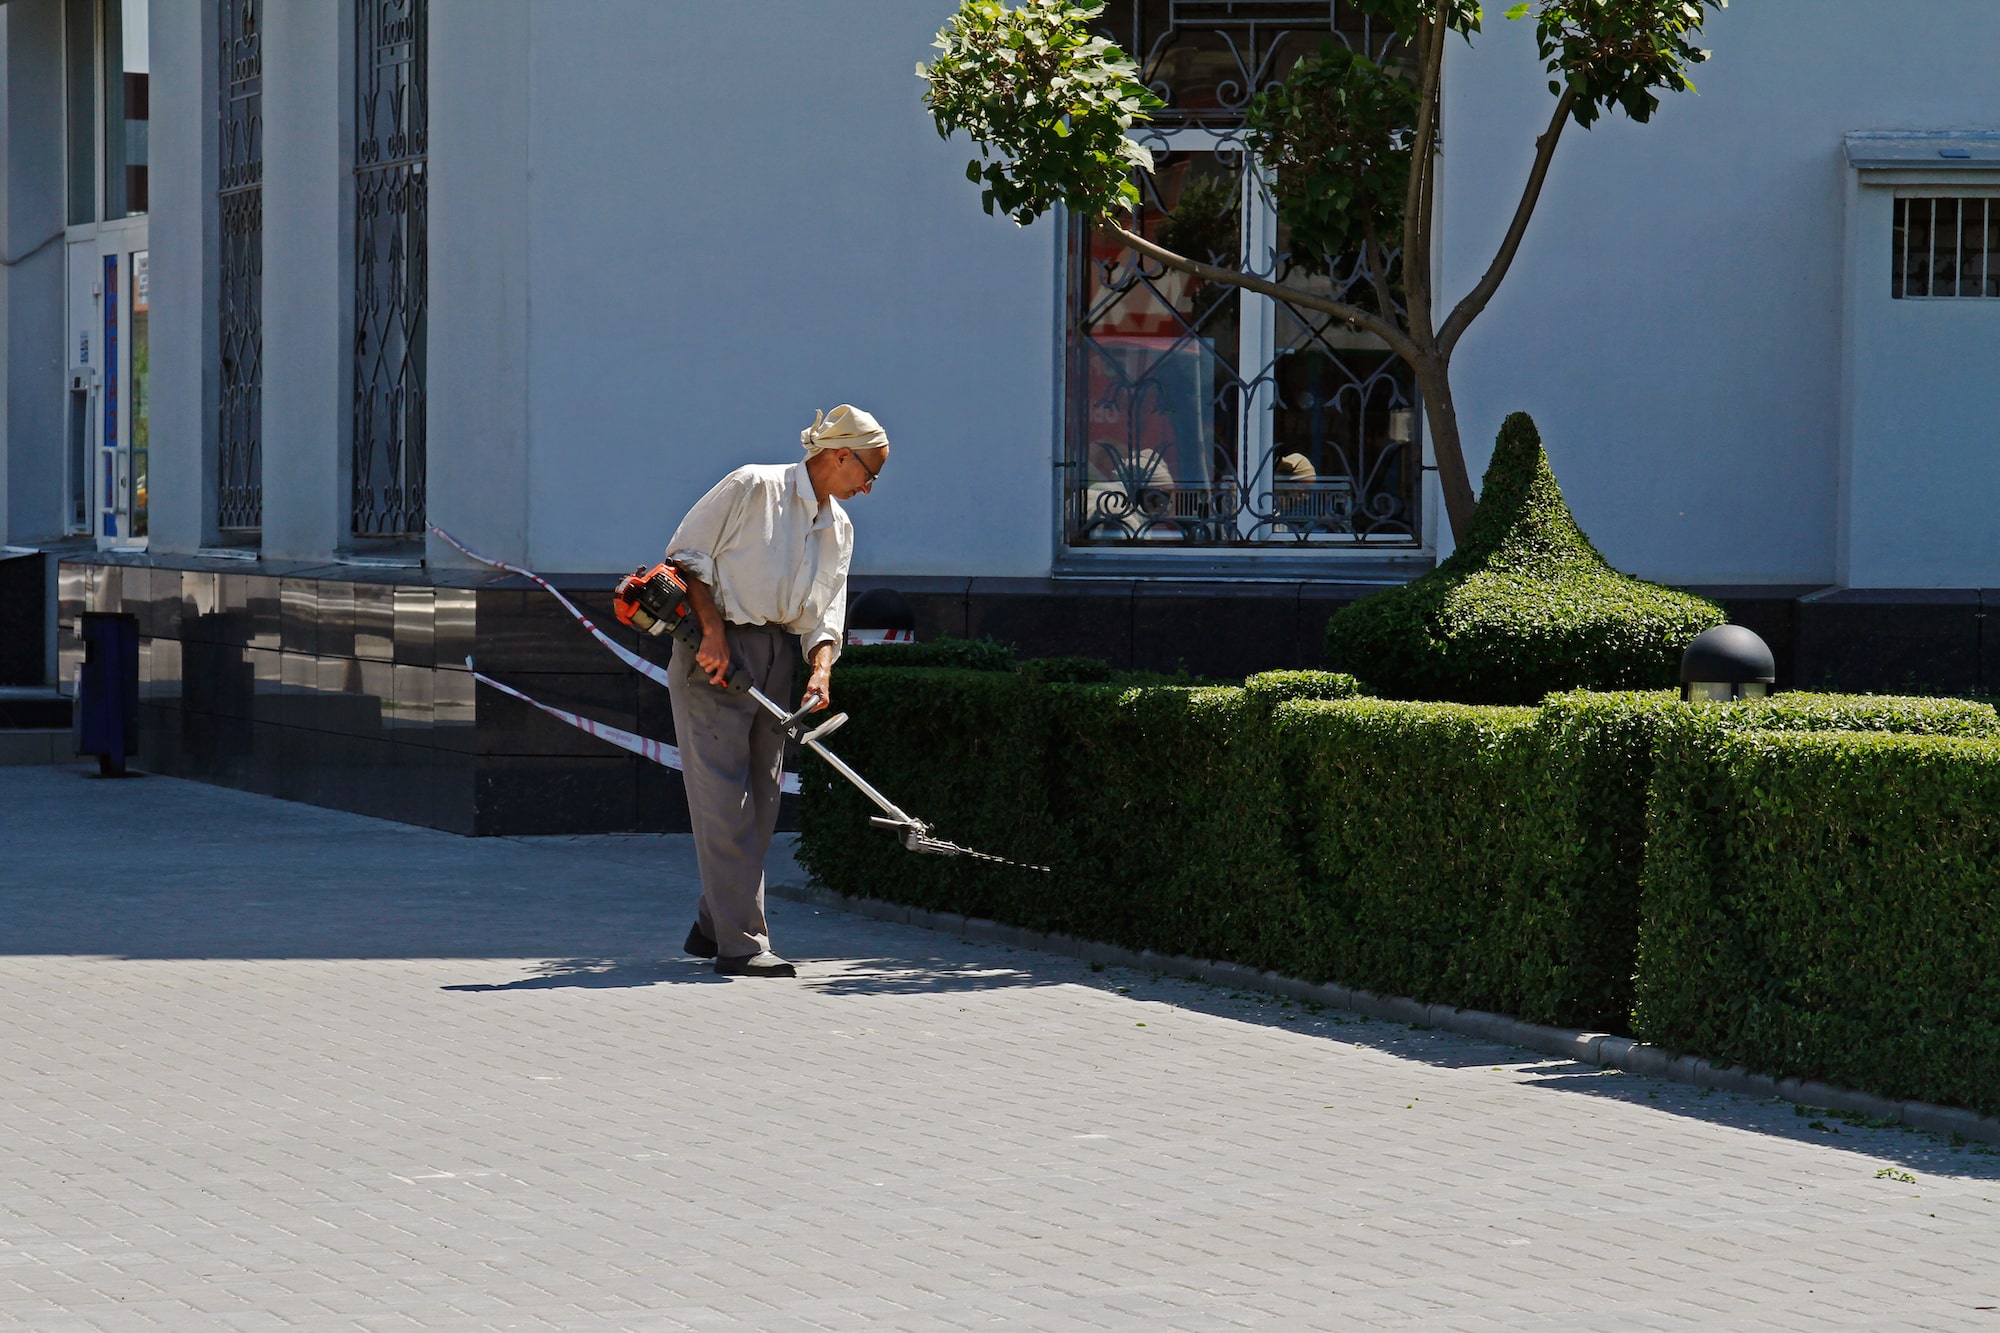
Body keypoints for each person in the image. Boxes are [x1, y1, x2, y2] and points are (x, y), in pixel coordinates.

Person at [662, 405, 888, 977]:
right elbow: (686, 557)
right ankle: (742, 945)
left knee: (762, 804)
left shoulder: (838, 526)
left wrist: (821, 667)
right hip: (715, 650)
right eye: (868, 472)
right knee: (724, 803)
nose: (868, 487)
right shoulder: (751, 485)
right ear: (840, 456)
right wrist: (710, 633)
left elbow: (826, 609)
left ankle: (712, 924)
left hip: (775, 657)